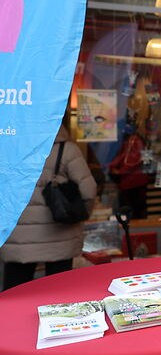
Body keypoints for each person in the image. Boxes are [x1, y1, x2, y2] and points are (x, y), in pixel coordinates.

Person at [1, 124, 97, 290]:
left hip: (17, 238)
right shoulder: (67, 150)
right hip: (60, 238)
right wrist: (79, 214)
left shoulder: (8, 148)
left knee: (15, 295)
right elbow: (89, 191)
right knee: (58, 298)